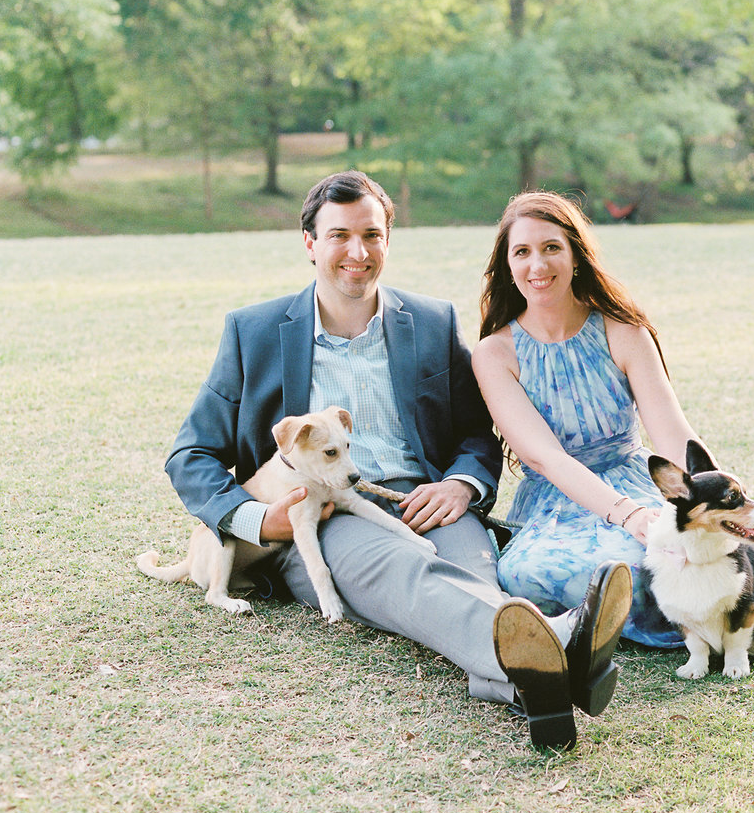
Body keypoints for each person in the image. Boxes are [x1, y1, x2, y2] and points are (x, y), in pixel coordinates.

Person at [164, 170, 632, 750]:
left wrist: (461, 483)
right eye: (338, 235)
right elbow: (191, 454)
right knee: (410, 576)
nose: (357, 252)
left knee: (474, 572)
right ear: (309, 242)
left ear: (388, 239)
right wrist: (260, 521)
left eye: (372, 234)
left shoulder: (431, 322)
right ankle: (563, 642)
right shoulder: (252, 331)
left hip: (424, 497)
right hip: (327, 513)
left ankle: (532, 688)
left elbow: (474, 431)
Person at [473, 190, 714, 648]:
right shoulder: (494, 354)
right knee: (528, 574)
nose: (537, 266)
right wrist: (630, 518)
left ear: (575, 256)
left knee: (665, 554)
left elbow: (673, 434)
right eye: (521, 252)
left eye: (551, 248)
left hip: (635, 480)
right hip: (558, 499)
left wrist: (723, 505)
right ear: (507, 265)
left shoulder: (623, 331)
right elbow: (546, 459)